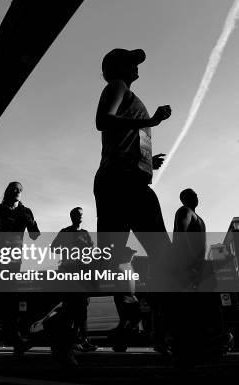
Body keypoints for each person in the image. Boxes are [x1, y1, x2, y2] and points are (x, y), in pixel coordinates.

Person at [94, 48, 173, 355]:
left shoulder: (126, 93)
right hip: (122, 182)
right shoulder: (117, 87)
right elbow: (104, 120)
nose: (136, 66)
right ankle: (169, 330)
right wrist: (152, 118)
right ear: (117, 67)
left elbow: (121, 140)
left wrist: (148, 161)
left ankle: (130, 322)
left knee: (117, 259)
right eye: (131, 61)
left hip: (121, 178)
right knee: (160, 253)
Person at [168, 189, 232, 366]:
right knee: (195, 306)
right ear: (184, 199)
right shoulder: (185, 212)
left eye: (196, 194)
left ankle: (197, 347)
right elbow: (181, 234)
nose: (196, 197)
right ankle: (187, 349)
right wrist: (191, 264)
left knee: (200, 306)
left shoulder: (197, 216)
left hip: (197, 266)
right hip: (189, 266)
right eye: (192, 195)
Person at [0, 182, 40, 352]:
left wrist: (32, 222)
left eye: (20, 190)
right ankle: (10, 339)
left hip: (16, 258)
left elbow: (35, 236)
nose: (17, 192)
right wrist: (1, 234)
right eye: (14, 189)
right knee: (5, 298)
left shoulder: (26, 211)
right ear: (8, 191)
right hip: (1, 256)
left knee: (7, 299)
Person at [49, 208, 98, 360]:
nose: (80, 217)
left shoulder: (85, 233)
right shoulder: (65, 231)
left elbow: (92, 250)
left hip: (83, 272)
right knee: (71, 306)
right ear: (72, 217)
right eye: (77, 215)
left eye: (81, 215)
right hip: (69, 271)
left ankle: (82, 340)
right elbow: (53, 248)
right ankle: (73, 341)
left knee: (82, 306)